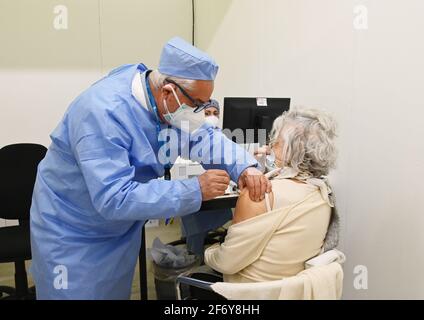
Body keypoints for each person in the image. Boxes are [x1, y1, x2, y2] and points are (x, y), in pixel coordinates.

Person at [29, 37, 271, 299]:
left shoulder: (170, 106)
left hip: (119, 229)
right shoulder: (101, 112)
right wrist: (194, 189)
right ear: (168, 91)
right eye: (198, 104)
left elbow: (204, 137)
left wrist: (245, 167)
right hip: (73, 232)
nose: (201, 112)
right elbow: (114, 197)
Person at [204, 107, 338, 283]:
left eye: (276, 141)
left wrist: (209, 251)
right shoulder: (323, 194)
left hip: (248, 294)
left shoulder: (259, 193)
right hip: (292, 292)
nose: (269, 147)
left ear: (292, 150)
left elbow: (226, 263)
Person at [180, 99, 232, 257]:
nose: (212, 117)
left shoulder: (221, 135)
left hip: (217, 189)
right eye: (207, 113)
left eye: (216, 113)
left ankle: (220, 253)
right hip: (194, 187)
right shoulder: (188, 134)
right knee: (194, 218)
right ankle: (194, 259)